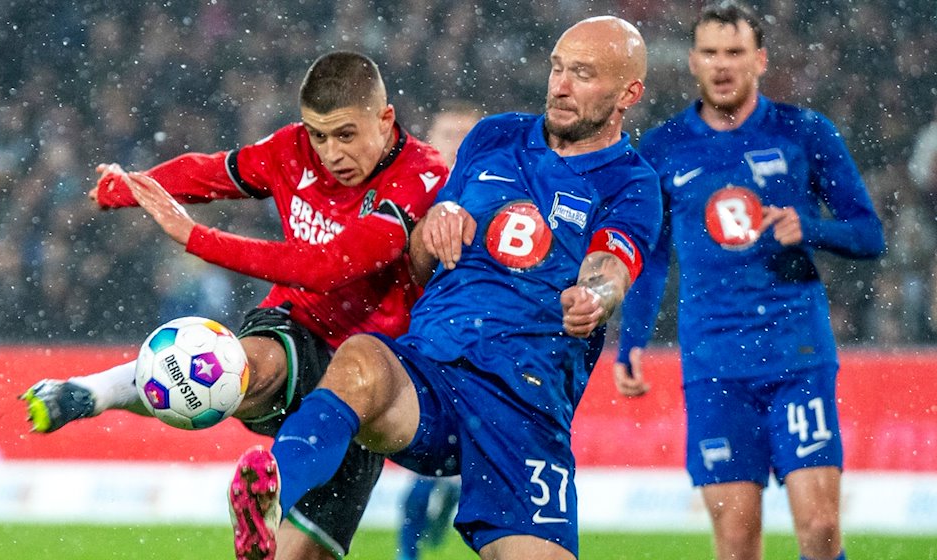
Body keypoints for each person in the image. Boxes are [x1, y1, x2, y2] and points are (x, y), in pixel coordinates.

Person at [229, 16, 661, 560]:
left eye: (582, 73)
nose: (560, 85)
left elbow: (611, 265)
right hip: (433, 369)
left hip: (523, 404)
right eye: (557, 68)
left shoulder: (632, 181)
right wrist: (434, 228)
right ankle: (270, 498)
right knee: (362, 359)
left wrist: (595, 297)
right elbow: (419, 253)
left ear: (629, 93)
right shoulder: (494, 136)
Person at [21, 50, 448, 560]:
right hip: (299, 326)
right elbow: (208, 173)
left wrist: (196, 237)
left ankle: (264, 505)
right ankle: (92, 393)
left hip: (374, 373)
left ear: (385, 119)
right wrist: (135, 188)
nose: (330, 152)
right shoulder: (291, 150)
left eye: (345, 135)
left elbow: (331, 265)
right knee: (241, 367)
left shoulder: (421, 175)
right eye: (318, 134)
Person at [612, 4, 885, 560]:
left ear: (759, 60)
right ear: (692, 61)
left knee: (821, 529)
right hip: (715, 364)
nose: (722, 65)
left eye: (734, 52)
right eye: (710, 52)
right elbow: (652, 257)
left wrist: (807, 228)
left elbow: (869, 233)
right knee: (736, 545)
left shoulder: (804, 132)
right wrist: (632, 340)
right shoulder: (663, 149)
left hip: (796, 354)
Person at [394, 101, 481, 560]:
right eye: (448, 133)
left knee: (455, 457)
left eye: (466, 134)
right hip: (415, 334)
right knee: (421, 461)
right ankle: (407, 551)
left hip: (471, 343)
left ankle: (448, 496)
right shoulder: (409, 194)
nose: (456, 143)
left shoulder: (491, 198)